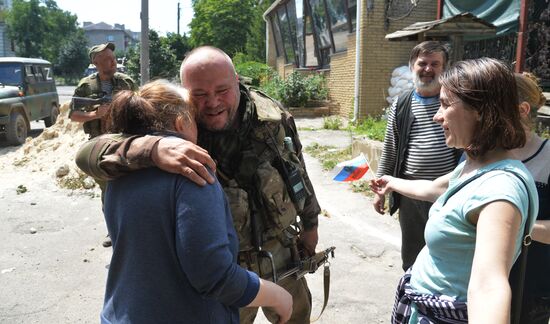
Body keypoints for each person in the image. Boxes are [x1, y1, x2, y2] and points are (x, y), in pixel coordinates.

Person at [75, 46, 321, 324]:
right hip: (227, 268)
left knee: (297, 317)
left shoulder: (271, 117)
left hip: (279, 248)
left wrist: (310, 224)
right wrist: (152, 148)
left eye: (222, 90)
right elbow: (88, 155)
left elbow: (296, 169)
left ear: (236, 80)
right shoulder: (179, 125)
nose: (213, 103)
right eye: (200, 95)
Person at [97, 79, 292, 324]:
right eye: (194, 117)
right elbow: (214, 275)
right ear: (182, 122)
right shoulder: (193, 173)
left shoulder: (119, 170)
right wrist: (277, 296)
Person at [372, 71, 550, 323]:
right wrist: (391, 182)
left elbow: (488, 287)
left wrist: (514, 227)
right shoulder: (475, 162)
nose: (436, 115)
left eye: (445, 104)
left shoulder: (501, 186)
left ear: (480, 110)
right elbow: (435, 189)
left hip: (509, 293)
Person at [374, 41, 459, 271]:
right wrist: (381, 187)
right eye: (422, 63)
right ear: (412, 65)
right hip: (409, 193)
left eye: (435, 64)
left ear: (445, 68)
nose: (428, 69)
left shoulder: (456, 103)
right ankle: (412, 298)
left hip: (448, 192)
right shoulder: (401, 104)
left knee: (445, 253)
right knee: (412, 256)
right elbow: (390, 148)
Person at [69, 42, 137, 248]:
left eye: (113, 57)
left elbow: (142, 107)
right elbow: (73, 115)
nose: (113, 61)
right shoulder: (86, 86)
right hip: (99, 145)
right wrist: (95, 114)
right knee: (108, 189)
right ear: (95, 62)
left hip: (126, 142)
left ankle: (133, 228)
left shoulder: (127, 82)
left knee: (131, 186)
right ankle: (113, 230)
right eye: (107, 59)